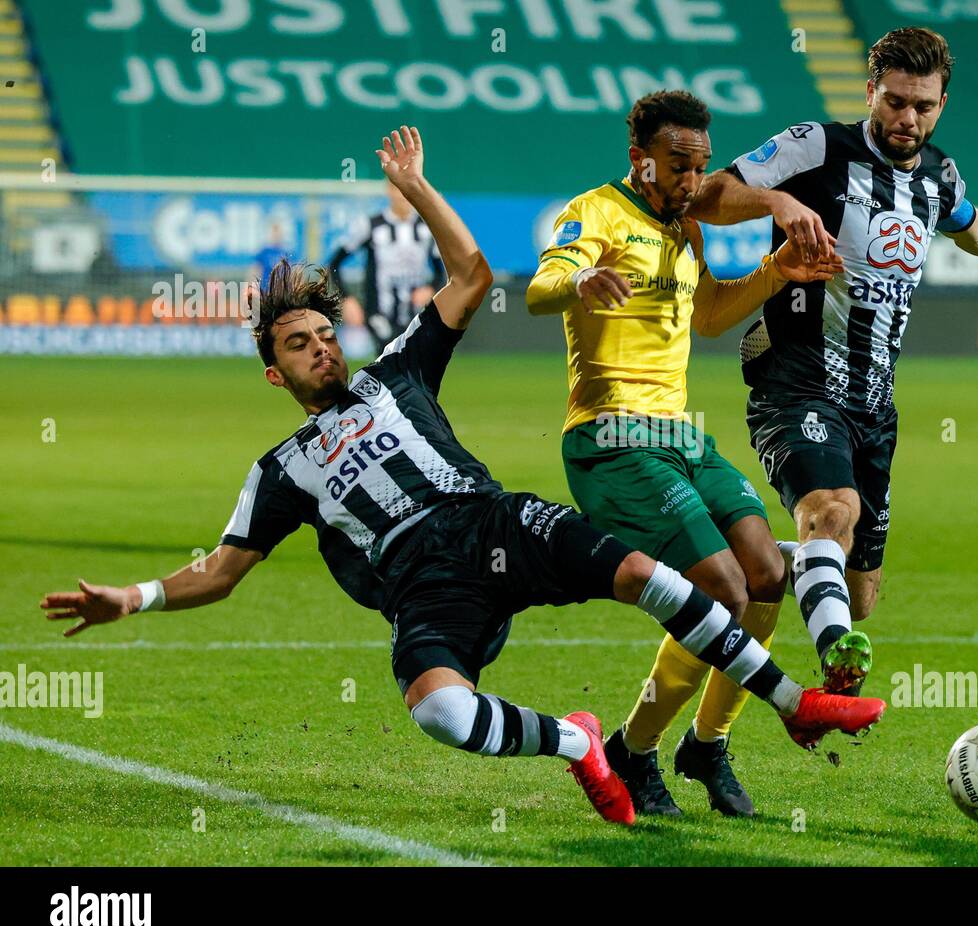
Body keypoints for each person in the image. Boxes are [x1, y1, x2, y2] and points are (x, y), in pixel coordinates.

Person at [40, 126, 885, 827]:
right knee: (439, 712)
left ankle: (791, 704)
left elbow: (472, 275)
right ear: (276, 375)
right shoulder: (280, 471)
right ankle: (579, 743)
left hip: (494, 524)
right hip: (422, 587)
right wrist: (134, 598)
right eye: (298, 345)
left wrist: (415, 188)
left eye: (322, 335)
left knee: (653, 577)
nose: (319, 347)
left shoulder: (397, 371)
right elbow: (220, 570)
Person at [687, 28, 978, 707]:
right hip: (798, 380)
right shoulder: (813, 147)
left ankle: (749, 556)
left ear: (942, 104)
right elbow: (708, 195)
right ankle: (836, 673)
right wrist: (778, 201)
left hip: (875, 405)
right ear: (871, 90)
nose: (908, 119)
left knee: (859, 593)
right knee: (833, 510)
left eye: (924, 106)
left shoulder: (938, 175)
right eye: (896, 102)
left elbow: (976, 226)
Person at [526, 91, 844, 818]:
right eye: (678, 167)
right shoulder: (596, 212)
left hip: (679, 435)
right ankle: (633, 753)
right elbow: (541, 286)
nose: (691, 183)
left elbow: (706, 320)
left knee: (766, 575)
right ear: (641, 160)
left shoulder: (688, 230)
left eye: (700, 167)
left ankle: (706, 746)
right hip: (610, 438)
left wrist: (775, 276)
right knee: (724, 591)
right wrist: (579, 279)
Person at [328, 179, 445, 349]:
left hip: (415, 313)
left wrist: (431, 288)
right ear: (389, 190)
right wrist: (347, 299)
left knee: (413, 367)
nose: (404, 196)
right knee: (390, 359)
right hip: (379, 314)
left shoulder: (426, 229)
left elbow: (441, 271)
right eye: (399, 190)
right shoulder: (371, 226)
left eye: (409, 190)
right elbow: (334, 264)